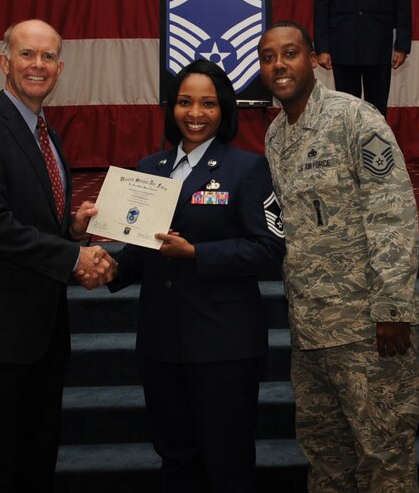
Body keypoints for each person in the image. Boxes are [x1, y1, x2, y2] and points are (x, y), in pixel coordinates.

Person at [95, 59, 285, 492]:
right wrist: (107, 268)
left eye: (208, 104)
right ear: (171, 107)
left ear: (225, 111)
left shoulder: (248, 168)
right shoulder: (149, 168)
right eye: (184, 102)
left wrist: (196, 252)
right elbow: (144, 251)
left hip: (223, 346)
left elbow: (270, 250)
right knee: (175, 460)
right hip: (161, 343)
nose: (195, 113)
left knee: (227, 464)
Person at [0, 19, 115, 490]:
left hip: (42, 331)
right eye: (27, 54)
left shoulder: (48, 135)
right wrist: (73, 259)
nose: (38, 65)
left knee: (36, 459)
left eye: (48, 57)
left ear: (60, 68)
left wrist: (73, 233)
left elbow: (36, 223)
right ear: (4, 61)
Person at [258, 21, 419, 492]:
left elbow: (391, 212)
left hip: (367, 331)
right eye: (268, 57)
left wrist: (393, 309)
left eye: (290, 53)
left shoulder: (356, 118)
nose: (279, 65)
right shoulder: (275, 135)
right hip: (310, 332)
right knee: (327, 459)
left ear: (313, 58)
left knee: (384, 457)